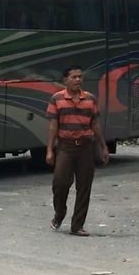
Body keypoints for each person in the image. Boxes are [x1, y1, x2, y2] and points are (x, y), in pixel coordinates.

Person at [45, 65, 108, 237]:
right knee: (60, 183)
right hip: (66, 147)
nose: (78, 80)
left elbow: (95, 124)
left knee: (84, 186)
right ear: (65, 80)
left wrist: (103, 146)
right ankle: (59, 213)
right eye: (74, 77)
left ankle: (77, 225)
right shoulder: (57, 99)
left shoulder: (90, 99)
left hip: (86, 147)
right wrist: (49, 150)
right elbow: (53, 126)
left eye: (80, 77)